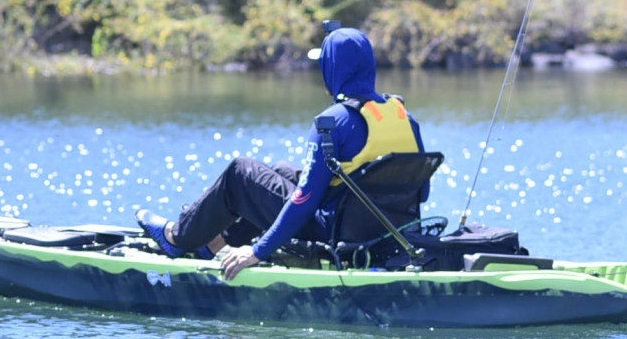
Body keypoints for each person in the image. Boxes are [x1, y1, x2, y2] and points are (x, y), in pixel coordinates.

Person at [136, 23, 429, 281]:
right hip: (386, 232)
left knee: (242, 173)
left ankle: (178, 237)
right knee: (281, 171)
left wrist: (259, 251)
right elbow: (421, 192)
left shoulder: (332, 122)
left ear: (332, 68)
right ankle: (215, 241)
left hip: (334, 233)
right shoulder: (405, 118)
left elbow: (304, 201)